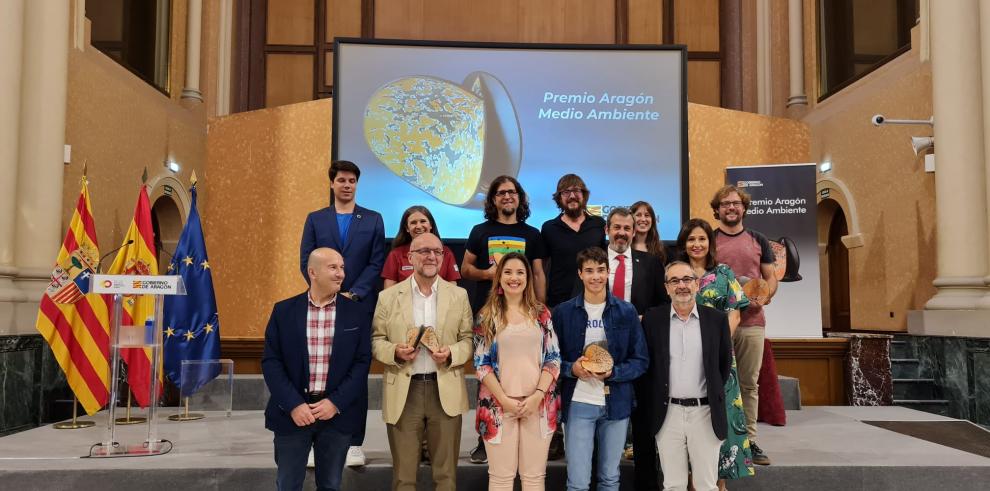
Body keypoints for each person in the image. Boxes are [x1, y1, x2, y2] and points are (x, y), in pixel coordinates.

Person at [261, 248, 372, 491]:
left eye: (342, 267)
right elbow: (271, 362)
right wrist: (293, 404)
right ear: (313, 272)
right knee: (288, 484)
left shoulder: (357, 313)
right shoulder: (283, 311)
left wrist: (335, 403)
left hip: (336, 415)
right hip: (292, 415)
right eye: (333, 267)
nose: (341, 274)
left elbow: (362, 362)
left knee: (331, 485)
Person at [371, 233, 474, 491]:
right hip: (406, 392)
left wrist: (451, 353)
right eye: (424, 251)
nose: (431, 256)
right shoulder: (388, 297)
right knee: (404, 478)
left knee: (447, 477)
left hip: (445, 389)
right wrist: (395, 351)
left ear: (443, 257)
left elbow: (469, 340)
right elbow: (376, 341)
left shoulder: (459, 295)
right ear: (410, 257)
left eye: (437, 252)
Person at [299, 160, 385, 467]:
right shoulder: (315, 219)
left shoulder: (373, 220)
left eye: (352, 181)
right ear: (332, 184)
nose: (347, 185)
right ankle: (315, 440)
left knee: (354, 373)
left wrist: (353, 293)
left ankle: (353, 444)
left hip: (357, 306)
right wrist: (328, 292)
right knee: (318, 371)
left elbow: (376, 263)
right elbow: (306, 262)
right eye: (342, 180)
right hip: (321, 306)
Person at [462, 175, 547, 463]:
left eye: (512, 192)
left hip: (524, 312)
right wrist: (490, 275)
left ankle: (529, 429)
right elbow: (465, 269)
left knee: (524, 370)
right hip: (489, 313)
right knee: (487, 372)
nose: (507, 197)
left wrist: (541, 306)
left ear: (520, 198)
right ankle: (484, 438)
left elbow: (536, 273)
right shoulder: (480, 230)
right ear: (493, 200)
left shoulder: (533, 234)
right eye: (501, 193)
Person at [553, 247, 648, 491]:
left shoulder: (626, 311)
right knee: (577, 482)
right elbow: (550, 359)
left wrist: (614, 372)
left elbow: (640, 360)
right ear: (580, 274)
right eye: (589, 271)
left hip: (616, 404)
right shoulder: (563, 313)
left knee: (610, 478)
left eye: (601, 270)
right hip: (579, 403)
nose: (595, 276)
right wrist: (571, 369)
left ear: (608, 273)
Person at [640, 261, 732, 491]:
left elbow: (723, 365)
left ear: (697, 284)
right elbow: (648, 367)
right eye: (674, 281)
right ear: (666, 287)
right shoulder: (653, 320)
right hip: (667, 413)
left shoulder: (717, 320)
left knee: (706, 485)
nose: (681, 285)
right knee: (673, 485)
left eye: (687, 280)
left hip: (705, 413)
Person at [473, 252, 561, 490]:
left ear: (528, 278)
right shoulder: (486, 315)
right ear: (499, 277)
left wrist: (537, 396)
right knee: (501, 478)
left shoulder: (542, 314)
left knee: (534, 478)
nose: (514, 277)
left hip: (538, 405)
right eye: (508, 272)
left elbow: (553, 359)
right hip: (498, 406)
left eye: (520, 272)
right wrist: (504, 399)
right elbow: (481, 364)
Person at [677, 218, 754, 488]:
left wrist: (716, 344)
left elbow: (734, 312)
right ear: (683, 243)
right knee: (685, 420)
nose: (696, 244)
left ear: (710, 242)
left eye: (701, 239)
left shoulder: (723, 273)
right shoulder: (677, 273)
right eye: (691, 239)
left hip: (718, 356)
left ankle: (718, 482)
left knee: (720, 418)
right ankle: (688, 480)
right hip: (682, 359)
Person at [710, 185, 777, 466]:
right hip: (717, 324)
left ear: (744, 207)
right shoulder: (710, 240)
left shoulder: (758, 239)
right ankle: (719, 439)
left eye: (736, 203)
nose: (731, 208)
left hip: (751, 323)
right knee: (718, 382)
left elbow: (771, 277)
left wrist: (766, 294)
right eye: (725, 204)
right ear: (717, 210)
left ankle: (748, 441)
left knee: (749, 384)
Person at [541, 174, 607, 308]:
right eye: (566, 192)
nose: (572, 196)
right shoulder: (549, 228)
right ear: (559, 198)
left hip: (595, 301)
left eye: (576, 191)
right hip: (559, 304)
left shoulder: (599, 224)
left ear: (584, 195)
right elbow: (541, 270)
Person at [605, 207, 668, 316]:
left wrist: (646, 318)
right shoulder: (593, 261)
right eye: (617, 227)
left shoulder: (651, 263)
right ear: (607, 230)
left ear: (633, 232)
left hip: (639, 330)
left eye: (627, 228)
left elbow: (664, 302)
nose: (622, 233)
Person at [381, 206, 460, 289]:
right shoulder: (396, 254)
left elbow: (452, 290)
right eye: (413, 223)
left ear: (431, 225)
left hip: (440, 301)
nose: (418, 226)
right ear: (407, 228)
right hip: (405, 301)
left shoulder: (446, 252)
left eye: (423, 221)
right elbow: (389, 292)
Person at [630, 200, 668, 265]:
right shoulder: (624, 247)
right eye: (638, 215)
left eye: (647, 215)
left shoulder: (662, 250)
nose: (643, 219)